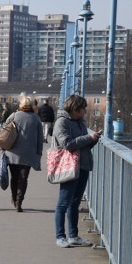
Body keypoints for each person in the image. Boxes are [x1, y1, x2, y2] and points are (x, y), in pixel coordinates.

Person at [53, 95, 101, 248]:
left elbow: (83, 145)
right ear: (75, 109)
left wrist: (93, 140)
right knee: (63, 203)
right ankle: (60, 236)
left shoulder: (80, 122)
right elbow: (67, 144)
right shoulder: (62, 122)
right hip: (69, 166)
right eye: (83, 109)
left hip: (83, 165)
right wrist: (88, 138)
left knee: (74, 203)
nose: (85, 112)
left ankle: (73, 235)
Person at [4, 96, 43, 212]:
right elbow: (40, 138)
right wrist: (38, 153)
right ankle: (19, 202)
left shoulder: (14, 116)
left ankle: (14, 197)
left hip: (12, 152)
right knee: (23, 179)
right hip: (29, 153)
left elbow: (5, 129)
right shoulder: (36, 119)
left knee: (14, 178)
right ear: (31, 106)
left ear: (20, 105)